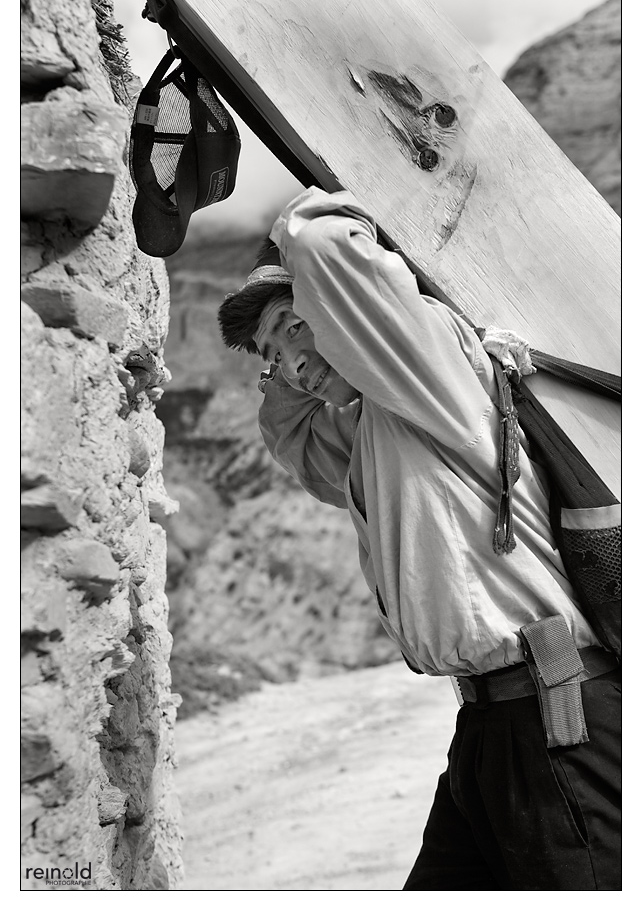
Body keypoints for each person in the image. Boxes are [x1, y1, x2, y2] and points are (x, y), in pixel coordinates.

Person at [217, 186, 621, 891]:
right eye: (271, 355)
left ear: (337, 307)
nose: (291, 365)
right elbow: (293, 439)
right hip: (491, 727)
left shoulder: (430, 372)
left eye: (292, 326)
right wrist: (285, 347)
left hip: (557, 721)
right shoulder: (377, 427)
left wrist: (291, 244)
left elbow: (322, 244)